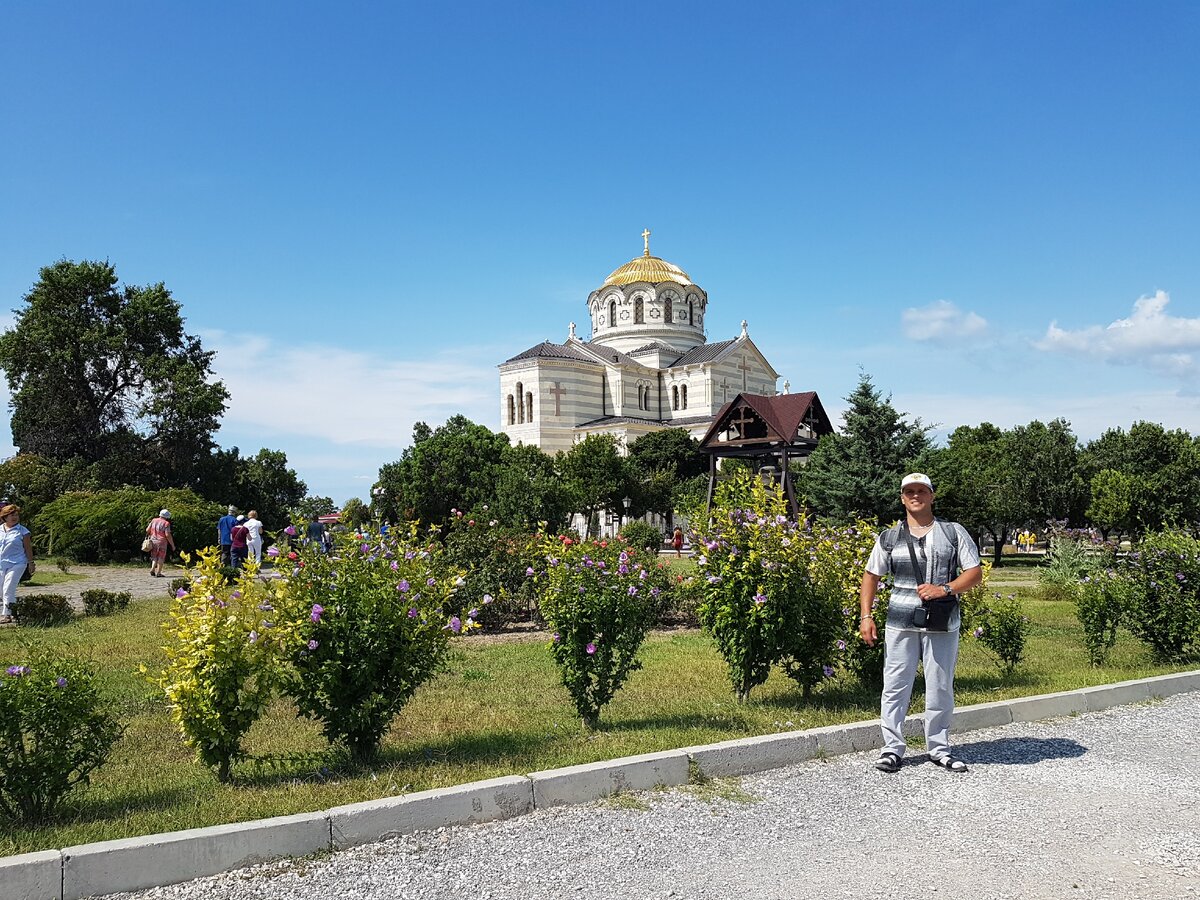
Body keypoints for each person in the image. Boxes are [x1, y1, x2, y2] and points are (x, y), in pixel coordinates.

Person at [858, 473, 982, 774]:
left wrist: (946, 588)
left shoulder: (952, 533)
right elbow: (871, 576)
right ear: (902, 498)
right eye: (909, 491)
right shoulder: (889, 537)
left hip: (942, 620)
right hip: (900, 621)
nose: (916, 496)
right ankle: (892, 749)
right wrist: (866, 615)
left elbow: (974, 573)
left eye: (922, 491)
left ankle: (938, 748)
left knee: (940, 685)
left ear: (932, 496)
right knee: (895, 685)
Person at [0, 504, 34, 623]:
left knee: (8, 587)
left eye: (16, 515)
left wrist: (31, 563)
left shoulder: (23, 531)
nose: (14, 517)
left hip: (18, 562)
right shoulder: (0, 530)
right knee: (1, 589)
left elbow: (28, 548)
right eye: (11, 515)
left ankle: (6, 615)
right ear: (4, 517)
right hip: (1, 563)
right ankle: (13, 610)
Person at [145, 508, 176, 578]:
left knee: (154, 556)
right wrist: (172, 545)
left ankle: (152, 569)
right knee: (161, 557)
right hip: (162, 542)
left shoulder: (153, 520)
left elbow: (147, 530)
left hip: (153, 540)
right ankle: (159, 572)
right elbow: (167, 535)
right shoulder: (166, 523)